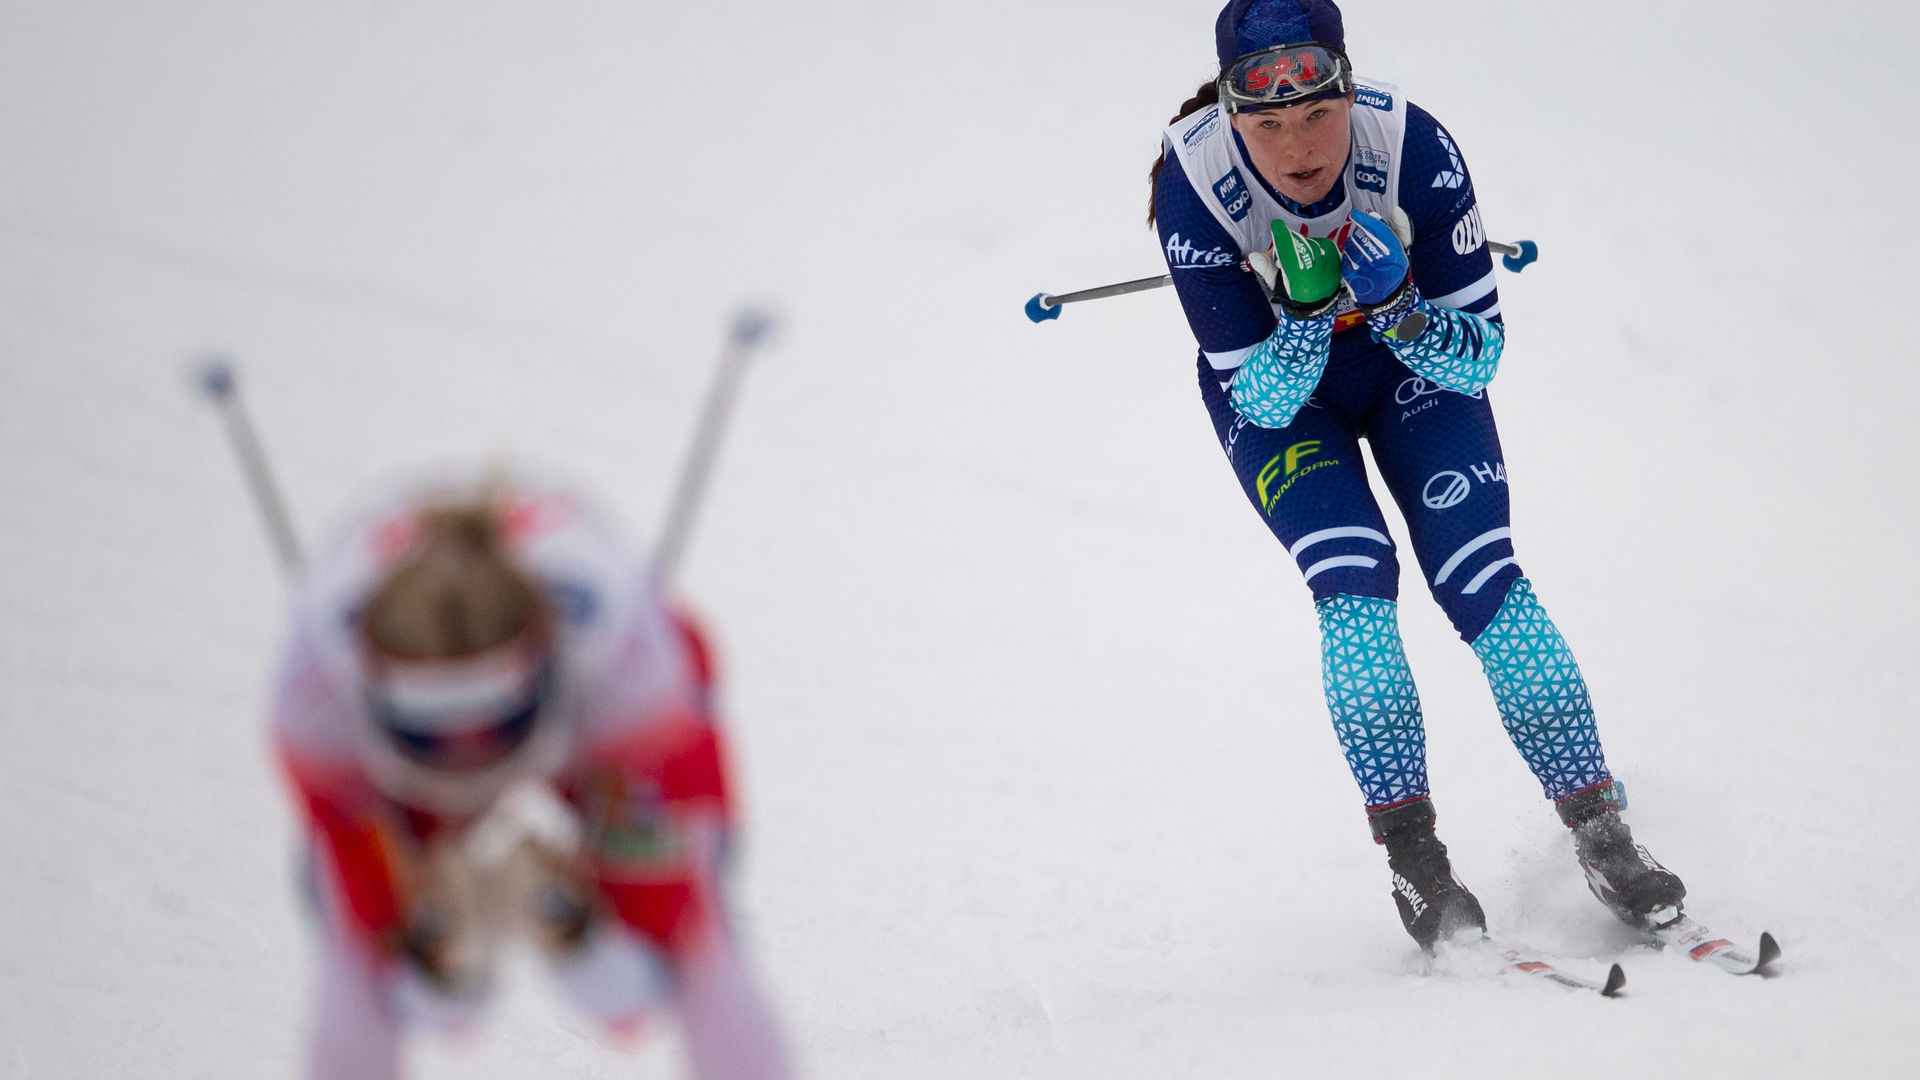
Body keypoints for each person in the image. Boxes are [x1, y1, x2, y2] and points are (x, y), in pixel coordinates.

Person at [1147, 0, 1687, 950]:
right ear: (1232, 118)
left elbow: (1479, 359)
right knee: (1355, 589)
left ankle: (1607, 839)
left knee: (1485, 582)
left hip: (1413, 372)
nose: (1297, 148)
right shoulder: (1194, 181)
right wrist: (1306, 318)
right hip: (1288, 397)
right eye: (1268, 126)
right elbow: (1262, 403)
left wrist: (1398, 305)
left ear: (1348, 92)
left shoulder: (1410, 146)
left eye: (1318, 114)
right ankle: (1418, 864)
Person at [270, 468, 792, 1079]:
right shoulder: (315, 709)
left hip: (597, 727)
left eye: (491, 721)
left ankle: (559, 919)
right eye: (431, 727)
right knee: (389, 961)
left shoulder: (633, 678)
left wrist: (594, 933)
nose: (467, 760)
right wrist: (430, 951)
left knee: (652, 963)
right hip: (389, 761)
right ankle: (473, 937)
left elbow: (679, 949)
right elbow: (361, 956)